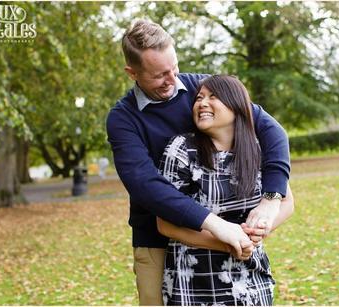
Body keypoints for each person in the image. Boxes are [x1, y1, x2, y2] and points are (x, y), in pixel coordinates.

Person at [106, 19, 292, 305]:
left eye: (174, 68)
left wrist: (271, 198)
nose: (172, 79)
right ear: (132, 73)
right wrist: (216, 226)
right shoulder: (123, 119)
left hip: (231, 233)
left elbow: (271, 130)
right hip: (158, 240)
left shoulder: (202, 90)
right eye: (160, 75)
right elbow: (144, 185)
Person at [156, 75, 293, 306]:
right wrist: (228, 243)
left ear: (236, 105)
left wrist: (258, 231)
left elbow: (287, 202)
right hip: (195, 282)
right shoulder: (181, 150)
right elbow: (165, 223)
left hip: (251, 278)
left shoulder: (257, 147)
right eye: (199, 98)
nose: (202, 103)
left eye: (213, 97)